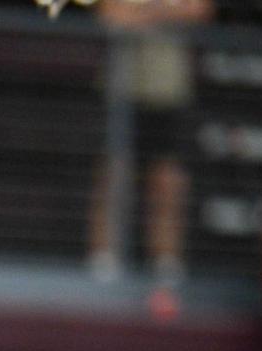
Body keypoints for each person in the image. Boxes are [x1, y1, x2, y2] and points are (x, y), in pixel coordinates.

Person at [84, 0, 210, 287]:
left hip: (168, 89)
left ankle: (165, 259)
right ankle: (104, 254)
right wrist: (164, 12)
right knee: (115, 171)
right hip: (122, 87)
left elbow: (199, 11)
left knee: (167, 177)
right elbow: (111, 14)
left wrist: (142, 12)